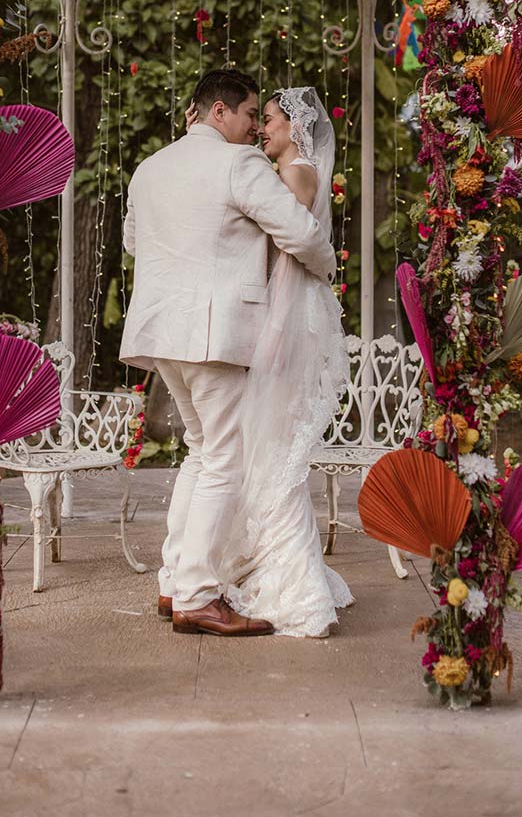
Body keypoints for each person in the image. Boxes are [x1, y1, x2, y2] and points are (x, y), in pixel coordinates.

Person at [120, 69, 337, 637]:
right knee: (224, 460)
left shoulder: (149, 167)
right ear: (219, 111)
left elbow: (133, 243)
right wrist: (327, 267)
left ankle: (173, 581)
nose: (252, 128)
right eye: (247, 115)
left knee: (201, 453)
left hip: (162, 333)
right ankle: (195, 595)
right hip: (214, 335)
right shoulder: (239, 164)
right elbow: (299, 232)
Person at [222, 87, 353, 637]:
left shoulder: (296, 174)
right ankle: (278, 566)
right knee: (268, 445)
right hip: (287, 312)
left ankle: (295, 588)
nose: (263, 129)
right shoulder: (295, 170)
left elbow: (293, 248)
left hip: (288, 316)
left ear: (295, 128)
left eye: (270, 120)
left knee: (273, 448)